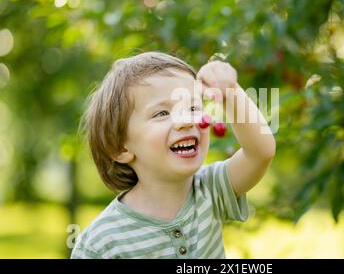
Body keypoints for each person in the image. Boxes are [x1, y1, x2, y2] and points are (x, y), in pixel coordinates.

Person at [71, 51, 276, 258]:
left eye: (193, 107)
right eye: (162, 113)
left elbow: (261, 152)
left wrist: (230, 92)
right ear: (121, 149)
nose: (186, 120)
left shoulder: (210, 188)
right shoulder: (99, 244)